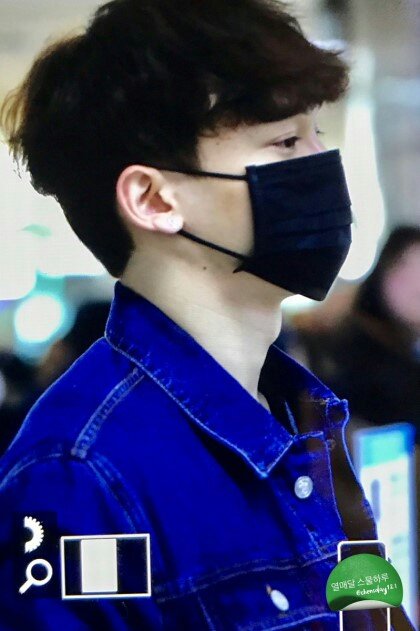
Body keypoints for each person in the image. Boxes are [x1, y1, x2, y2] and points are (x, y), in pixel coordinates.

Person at [0, 1, 415, 629]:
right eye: (285, 142)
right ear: (153, 198)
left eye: (317, 135)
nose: (320, 165)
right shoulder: (79, 478)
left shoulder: (304, 418)